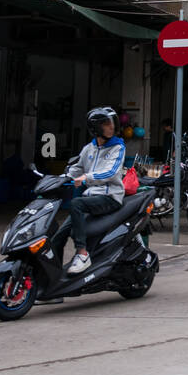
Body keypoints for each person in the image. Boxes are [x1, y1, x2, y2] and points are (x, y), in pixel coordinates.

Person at [65, 108, 126, 275]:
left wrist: (86, 178)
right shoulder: (88, 149)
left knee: (76, 204)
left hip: (110, 196)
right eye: (106, 124)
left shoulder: (117, 147)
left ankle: (83, 254)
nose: (111, 127)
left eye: (112, 123)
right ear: (96, 127)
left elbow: (111, 172)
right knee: (59, 232)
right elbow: (76, 169)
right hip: (92, 198)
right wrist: (60, 178)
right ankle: (50, 277)